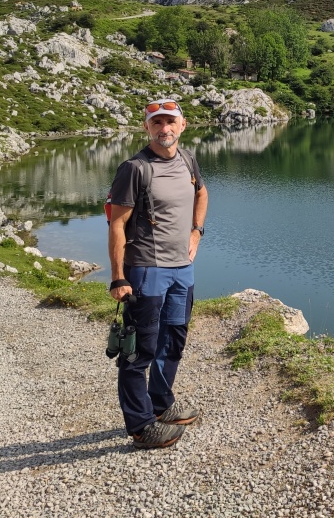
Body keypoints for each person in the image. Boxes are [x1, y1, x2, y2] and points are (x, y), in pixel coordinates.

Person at [107, 98, 208, 449]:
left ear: (183, 125)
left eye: (170, 122)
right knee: (140, 350)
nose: (164, 129)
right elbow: (116, 223)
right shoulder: (134, 168)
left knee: (173, 341)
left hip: (182, 270)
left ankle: (162, 404)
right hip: (147, 270)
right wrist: (118, 277)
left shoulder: (187, 159)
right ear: (146, 128)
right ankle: (140, 425)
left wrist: (197, 231)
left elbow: (202, 193)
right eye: (156, 123)